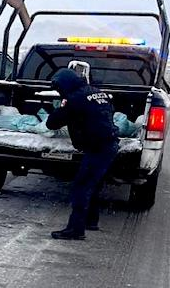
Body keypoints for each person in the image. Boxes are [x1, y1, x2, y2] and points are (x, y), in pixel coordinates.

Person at [45, 68, 119, 240]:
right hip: (109, 144)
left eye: (59, 89)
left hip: (98, 148)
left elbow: (52, 123)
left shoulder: (74, 99)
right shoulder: (98, 93)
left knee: (81, 186)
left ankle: (76, 230)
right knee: (92, 185)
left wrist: (62, 106)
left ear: (65, 85)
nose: (59, 92)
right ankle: (91, 221)